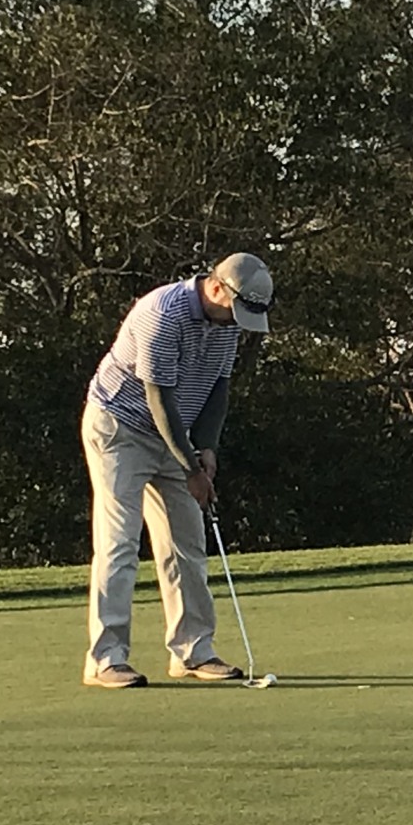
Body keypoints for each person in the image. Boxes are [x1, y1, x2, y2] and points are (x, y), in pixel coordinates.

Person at [80, 253, 274, 687]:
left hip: (176, 435)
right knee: (120, 544)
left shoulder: (225, 324)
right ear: (217, 288)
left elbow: (217, 390)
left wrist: (207, 448)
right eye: (235, 311)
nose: (237, 323)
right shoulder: (161, 314)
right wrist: (190, 466)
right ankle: (106, 658)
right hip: (120, 428)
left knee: (187, 542)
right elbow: (159, 399)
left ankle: (193, 650)